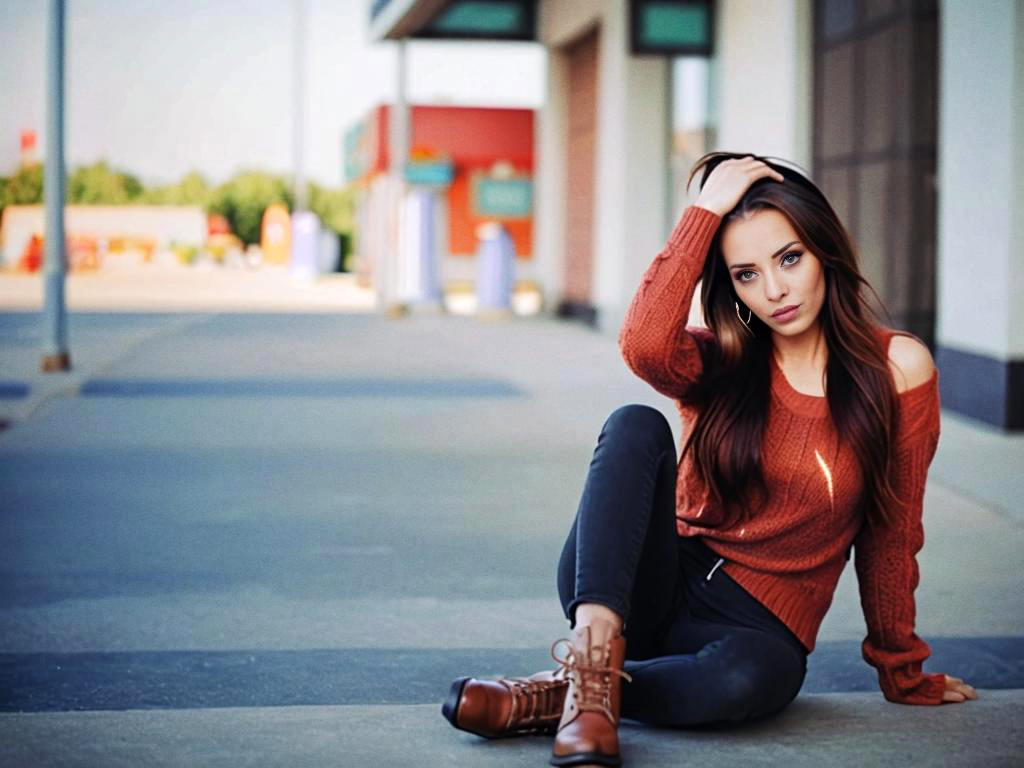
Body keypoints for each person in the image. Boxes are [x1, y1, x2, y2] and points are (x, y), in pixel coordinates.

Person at [441, 152, 979, 767]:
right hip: (643, 587)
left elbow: (893, 530)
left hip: (759, 628)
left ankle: (553, 697)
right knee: (634, 424)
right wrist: (703, 214)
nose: (774, 290)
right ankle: (592, 659)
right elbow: (643, 345)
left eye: (789, 259)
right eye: (746, 274)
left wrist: (900, 668)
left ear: (825, 251)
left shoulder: (896, 371)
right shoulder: (722, 357)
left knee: (746, 686)